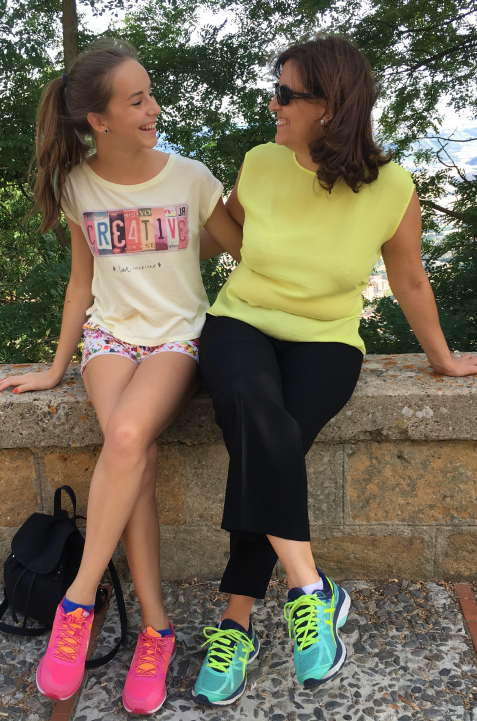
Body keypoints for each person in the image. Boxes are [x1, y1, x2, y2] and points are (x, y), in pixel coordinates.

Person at [192, 35, 477, 706]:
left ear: (333, 106)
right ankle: (309, 588)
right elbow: (222, 231)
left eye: (288, 94)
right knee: (259, 414)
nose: (274, 103)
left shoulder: (393, 187)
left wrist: (442, 357)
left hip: (327, 341)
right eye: (277, 88)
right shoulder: (261, 161)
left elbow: (408, 277)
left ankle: (239, 625)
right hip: (241, 323)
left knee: (271, 437)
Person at [0, 39, 242, 715]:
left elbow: (236, 246)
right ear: (98, 120)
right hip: (108, 340)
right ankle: (157, 630)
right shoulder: (77, 185)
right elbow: (81, 281)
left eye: (151, 94)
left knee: (127, 432)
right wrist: (55, 365)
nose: (153, 108)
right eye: (136, 100)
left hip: (175, 339)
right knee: (134, 451)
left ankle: (77, 598)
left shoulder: (190, 177)